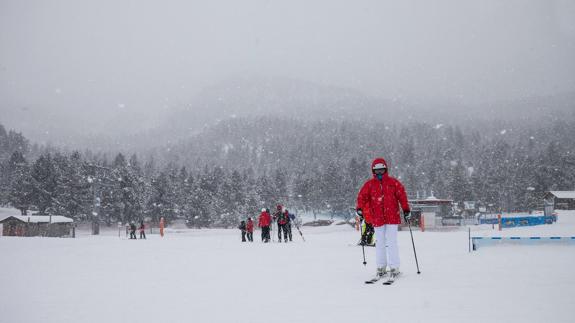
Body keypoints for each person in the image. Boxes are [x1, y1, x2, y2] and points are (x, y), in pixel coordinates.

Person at [357, 157, 410, 283]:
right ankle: (381, 267)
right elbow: (362, 197)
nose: (379, 173)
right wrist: (359, 208)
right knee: (380, 242)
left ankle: (394, 268)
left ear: (385, 169)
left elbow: (402, 196)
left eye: (381, 170)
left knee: (392, 242)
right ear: (373, 171)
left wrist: (406, 209)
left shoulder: (393, 183)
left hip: (392, 216)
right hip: (377, 217)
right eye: (377, 171)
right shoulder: (369, 184)